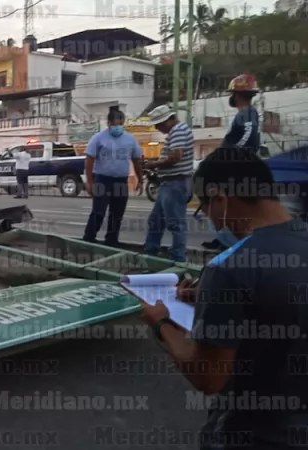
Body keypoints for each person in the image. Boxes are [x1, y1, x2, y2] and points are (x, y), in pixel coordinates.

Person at [140, 146, 308, 449]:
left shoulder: (229, 267)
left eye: (205, 209)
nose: (215, 223)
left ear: (220, 198)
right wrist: (212, 300)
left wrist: (162, 324)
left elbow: (208, 377)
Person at [203, 73, 262, 251]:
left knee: (222, 203)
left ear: (236, 95)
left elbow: (248, 137)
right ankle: (225, 240)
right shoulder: (246, 114)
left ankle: (232, 243)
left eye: (232, 94)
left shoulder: (247, 114)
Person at [82, 109, 144, 246]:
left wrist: (140, 179)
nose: (118, 127)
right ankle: (89, 238)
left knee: (117, 213)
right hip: (102, 180)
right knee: (99, 211)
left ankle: (111, 240)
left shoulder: (130, 139)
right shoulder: (98, 138)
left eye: (121, 124)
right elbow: (89, 159)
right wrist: (89, 181)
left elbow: (136, 160)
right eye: (115, 124)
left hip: (121, 181)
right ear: (108, 123)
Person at [142, 104, 195, 262]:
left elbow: (176, 157)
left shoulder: (178, 131)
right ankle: (151, 254)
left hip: (175, 182)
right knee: (156, 221)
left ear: (167, 120)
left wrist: (154, 164)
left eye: (158, 125)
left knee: (175, 224)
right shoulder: (178, 130)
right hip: (170, 183)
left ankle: (177, 259)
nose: (158, 128)